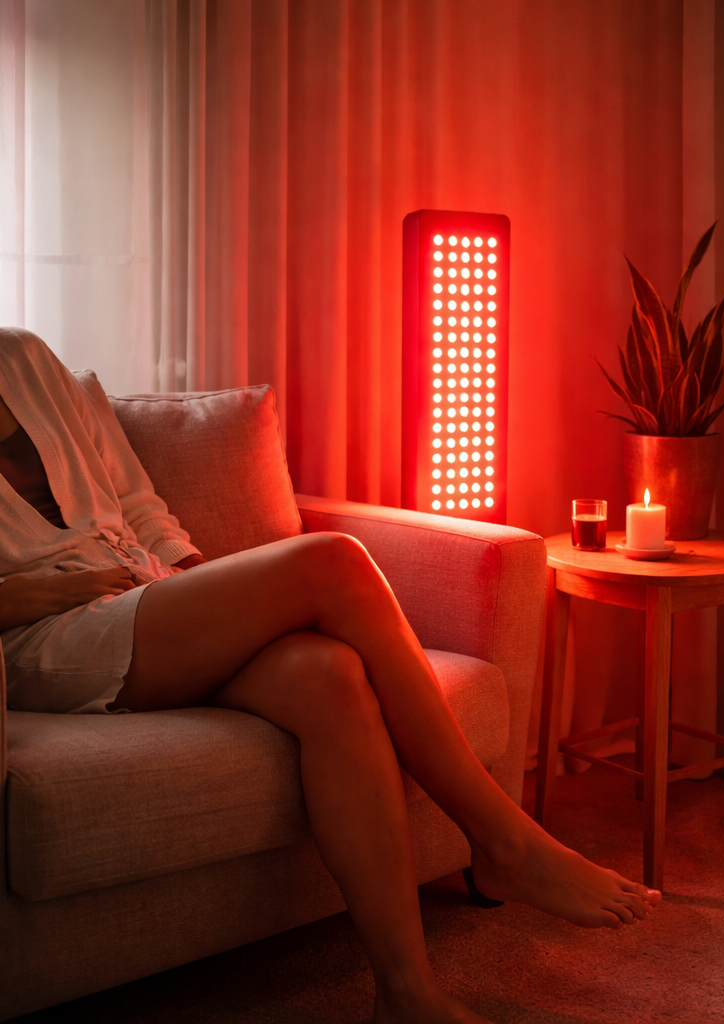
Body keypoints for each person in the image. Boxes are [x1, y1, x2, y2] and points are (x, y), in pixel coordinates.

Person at [0, 327, 661, 1024]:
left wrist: (214, 595)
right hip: (43, 637)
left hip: (145, 596)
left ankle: (406, 994)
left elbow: (136, 505)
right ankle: (504, 840)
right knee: (335, 561)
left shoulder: (25, 357)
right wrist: (27, 596)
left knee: (332, 677)